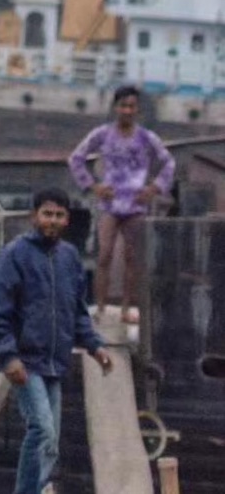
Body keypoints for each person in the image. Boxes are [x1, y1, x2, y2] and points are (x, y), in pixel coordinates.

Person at [0, 188, 113, 494]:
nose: (52, 220)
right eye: (47, 214)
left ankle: (40, 488)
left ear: (67, 219)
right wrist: (7, 356)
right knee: (41, 428)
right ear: (34, 216)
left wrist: (95, 346)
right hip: (25, 360)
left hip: (55, 361)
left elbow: (78, 311)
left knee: (51, 441)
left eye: (59, 215)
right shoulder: (14, 255)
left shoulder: (70, 257)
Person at [68, 84, 175, 324]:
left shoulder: (147, 138)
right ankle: (101, 307)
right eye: (123, 105)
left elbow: (168, 162)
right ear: (116, 107)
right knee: (104, 255)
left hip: (136, 204)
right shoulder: (102, 134)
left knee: (132, 259)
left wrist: (154, 188)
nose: (127, 110)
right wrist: (93, 186)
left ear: (137, 109)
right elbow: (76, 158)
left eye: (131, 106)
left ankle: (127, 308)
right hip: (110, 203)